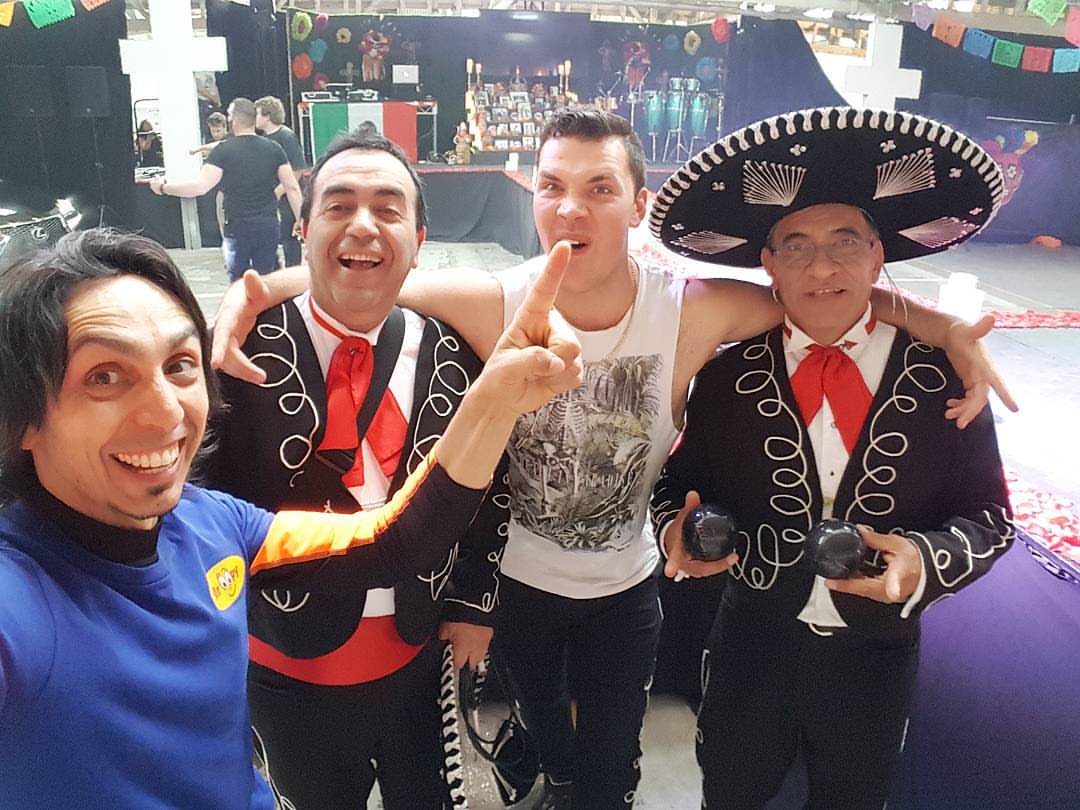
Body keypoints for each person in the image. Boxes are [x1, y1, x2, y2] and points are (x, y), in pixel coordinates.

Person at [210, 107, 1015, 809]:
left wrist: (940, 326)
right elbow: (364, 276)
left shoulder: (692, 311)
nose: (572, 207)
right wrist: (256, 292)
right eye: (553, 186)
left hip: (626, 590)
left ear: (638, 204)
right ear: (532, 199)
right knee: (544, 736)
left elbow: (819, 288)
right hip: (518, 586)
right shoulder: (494, 300)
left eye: (599, 187)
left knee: (610, 766)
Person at [0, 227, 580, 808]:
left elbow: (394, 540)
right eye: (105, 377)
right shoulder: (19, 600)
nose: (165, 411)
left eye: (179, 365)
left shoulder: (213, 525)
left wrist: (496, 400)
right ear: (20, 415)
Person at [648, 106, 1014, 809]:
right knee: (730, 791)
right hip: (749, 649)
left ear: (878, 256)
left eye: (845, 243)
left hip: (875, 660)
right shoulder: (724, 378)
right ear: (768, 266)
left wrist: (924, 560)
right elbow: (676, 483)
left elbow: (990, 517)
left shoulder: (943, 376)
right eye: (797, 247)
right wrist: (678, 529)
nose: (822, 267)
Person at [200, 130, 509, 809]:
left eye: (387, 209)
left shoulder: (456, 351)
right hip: (285, 662)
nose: (363, 225)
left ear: (418, 241)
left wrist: (474, 603)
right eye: (338, 206)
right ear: (303, 228)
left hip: (418, 650)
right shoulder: (236, 353)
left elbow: (492, 484)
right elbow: (198, 507)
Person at [149, 97, 302, 281]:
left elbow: (199, 187)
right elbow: (292, 187)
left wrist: (163, 188)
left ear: (233, 120)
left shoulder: (223, 151)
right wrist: (301, 218)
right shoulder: (274, 149)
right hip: (267, 226)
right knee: (268, 280)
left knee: (238, 283)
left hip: (237, 228)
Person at [255, 95, 307, 267]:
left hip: (288, 196)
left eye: (257, 114)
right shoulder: (263, 139)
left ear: (267, 116)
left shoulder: (286, 136)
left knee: (289, 238)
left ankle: (293, 271)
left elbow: (297, 169)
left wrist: (278, 191)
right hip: (272, 194)